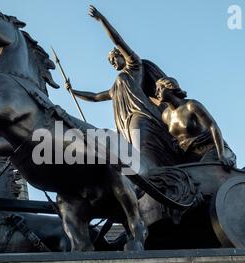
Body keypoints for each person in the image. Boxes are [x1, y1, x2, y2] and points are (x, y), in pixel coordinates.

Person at [66, 5, 183, 172]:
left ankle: (159, 178)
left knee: (142, 158)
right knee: (131, 159)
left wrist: (102, 20)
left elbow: (118, 41)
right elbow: (96, 96)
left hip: (142, 116)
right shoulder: (116, 87)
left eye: (114, 58)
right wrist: (73, 91)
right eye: (110, 62)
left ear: (121, 55)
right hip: (125, 126)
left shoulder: (135, 66)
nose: (113, 63)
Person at [155, 77, 236, 168]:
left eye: (159, 89)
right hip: (191, 156)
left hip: (213, 149)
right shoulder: (165, 115)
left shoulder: (191, 105)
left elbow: (213, 126)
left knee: (204, 171)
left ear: (170, 88)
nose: (156, 93)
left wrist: (221, 155)